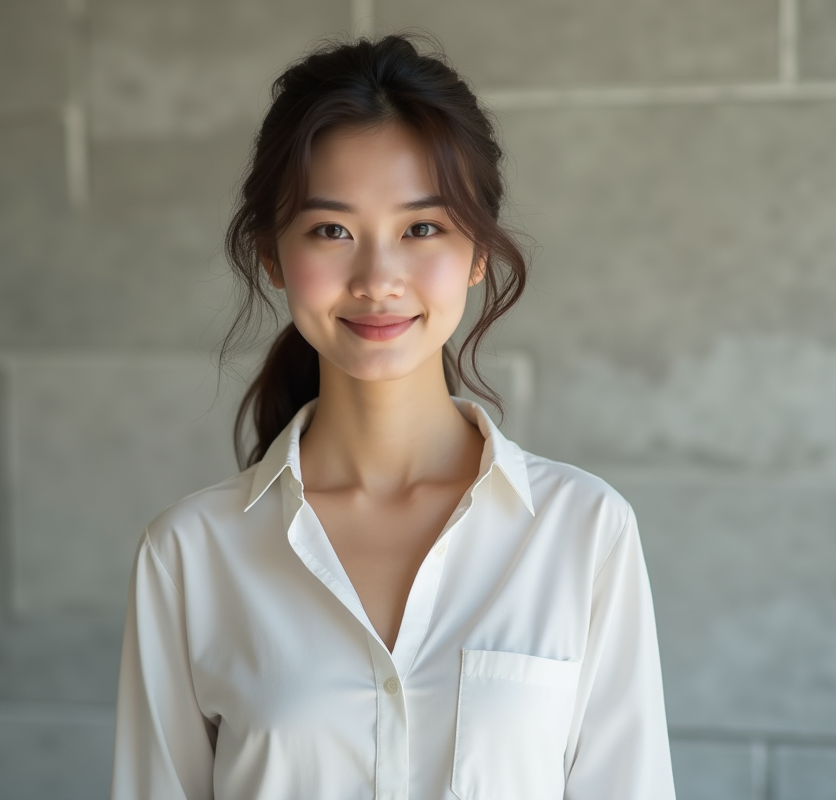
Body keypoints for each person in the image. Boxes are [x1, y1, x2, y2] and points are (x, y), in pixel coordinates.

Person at [110, 32, 676, 800]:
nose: (378, 279)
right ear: (273, 257)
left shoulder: (584, 533)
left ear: (478, 251)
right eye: (332, 231)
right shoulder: (189, 555)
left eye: (422, 228)